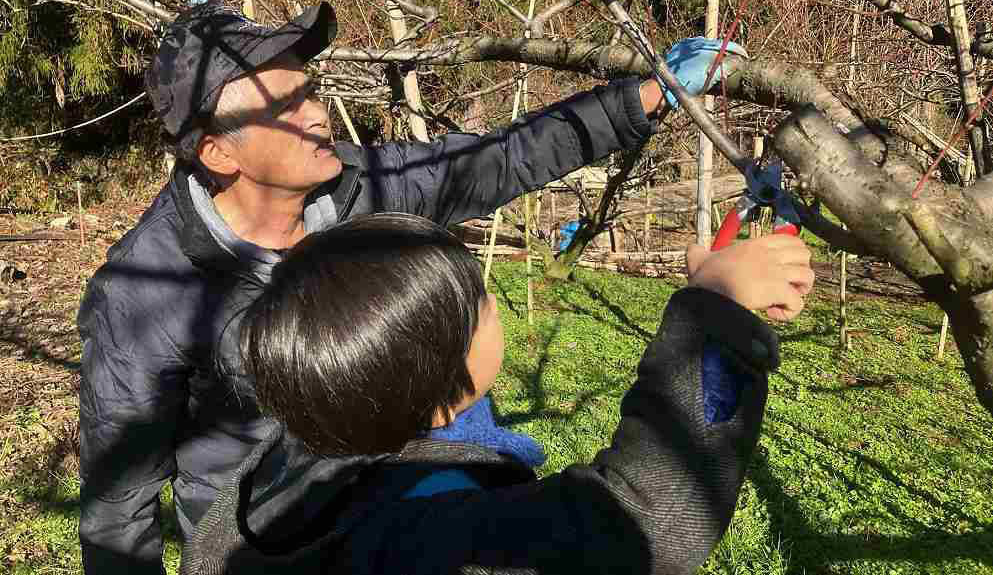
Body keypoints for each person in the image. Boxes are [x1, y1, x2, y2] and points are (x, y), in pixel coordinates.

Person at [76, 0, 745, 574]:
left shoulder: (358, 186)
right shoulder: (144, 292)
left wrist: (645, 96)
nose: (313, 114)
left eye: (306, 89)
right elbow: (117, 503)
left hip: (403, 494)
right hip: (270, 540)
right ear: (218, 151)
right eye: (280, 105)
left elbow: (496, 160)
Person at [180, 213, 814, 575]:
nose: (493, 298)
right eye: (480, 299)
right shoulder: (427, 531)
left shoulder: (315, 427)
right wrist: (715, 317)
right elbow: (649, 517)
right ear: (443, 374)